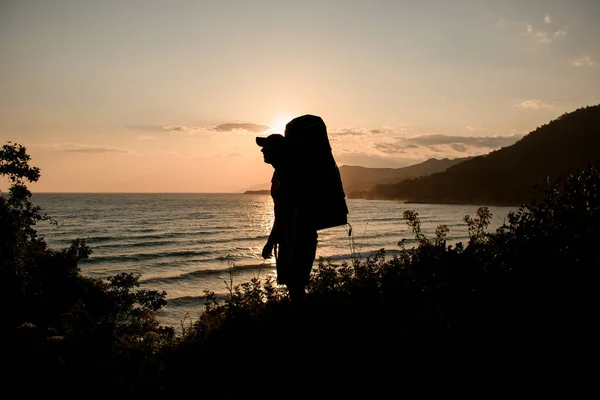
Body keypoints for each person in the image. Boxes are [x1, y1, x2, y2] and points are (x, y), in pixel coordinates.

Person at [256, 133, 318, 303]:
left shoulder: (289, 174)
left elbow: (290, 212)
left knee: (296, 287)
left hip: (298, 239)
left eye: (266, 147)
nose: (262, 150)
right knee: (294, 287)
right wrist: (274, 240)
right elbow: (281, 213)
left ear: (276, 150)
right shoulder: (279, 173)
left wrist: (275, 242)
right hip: (290, 239)